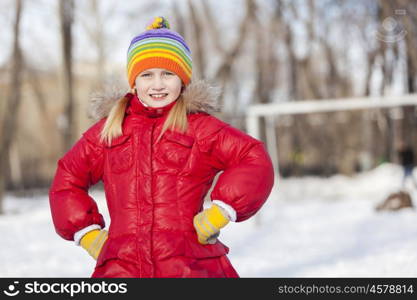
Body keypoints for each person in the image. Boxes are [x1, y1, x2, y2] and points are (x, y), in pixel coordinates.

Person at [49, 17, 274, 278]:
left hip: (190, 266)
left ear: (183, 80)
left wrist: (221, 211)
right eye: (147, 75)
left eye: (168, 74)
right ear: (134, 81)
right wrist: (87, 233)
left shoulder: (200, 128)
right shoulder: (111, 131)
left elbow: (253, 157)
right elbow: (67, 179)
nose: (157, 84)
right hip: (122, 267)